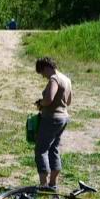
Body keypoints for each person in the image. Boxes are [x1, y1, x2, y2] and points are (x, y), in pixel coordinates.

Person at [33, 57, 72, 189]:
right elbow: (69, 101)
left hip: (51, 118)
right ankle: (53, 183)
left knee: (41, 150)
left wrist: (40, 103)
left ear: (45, 67)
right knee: (54, 148)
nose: (43, 76)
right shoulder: (66, 79)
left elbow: (49, 99)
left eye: (42, 73)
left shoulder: (54, 79)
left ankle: (43, 184)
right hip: (63, 118)